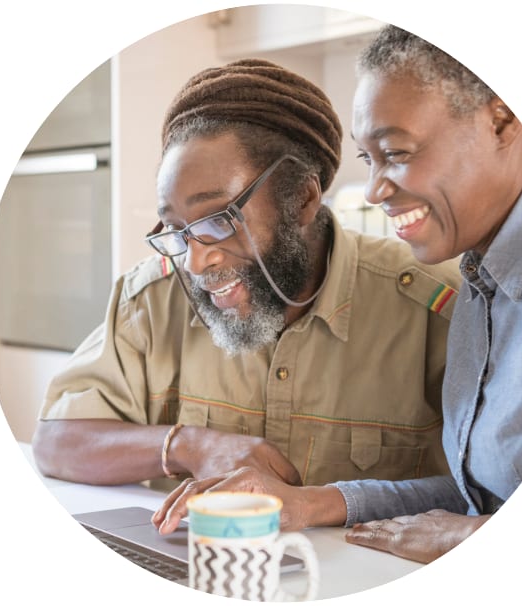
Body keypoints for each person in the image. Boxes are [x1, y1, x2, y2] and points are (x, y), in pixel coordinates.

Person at [152, 27, 522, 564]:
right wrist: (308, 503)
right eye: (368, 160)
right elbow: (486, 494)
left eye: (396, 152)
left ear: (503, 118)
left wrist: (469, 540)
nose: (376, 190)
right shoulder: (481, 280)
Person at [32, 59, 462, 523]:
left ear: (302, 199)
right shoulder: (153, 299)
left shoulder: (435, 307)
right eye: (178, 230)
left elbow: (497, 489)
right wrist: (188, 445)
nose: (197, 263)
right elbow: (56, 442)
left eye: (218, 221)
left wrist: (323, 504)